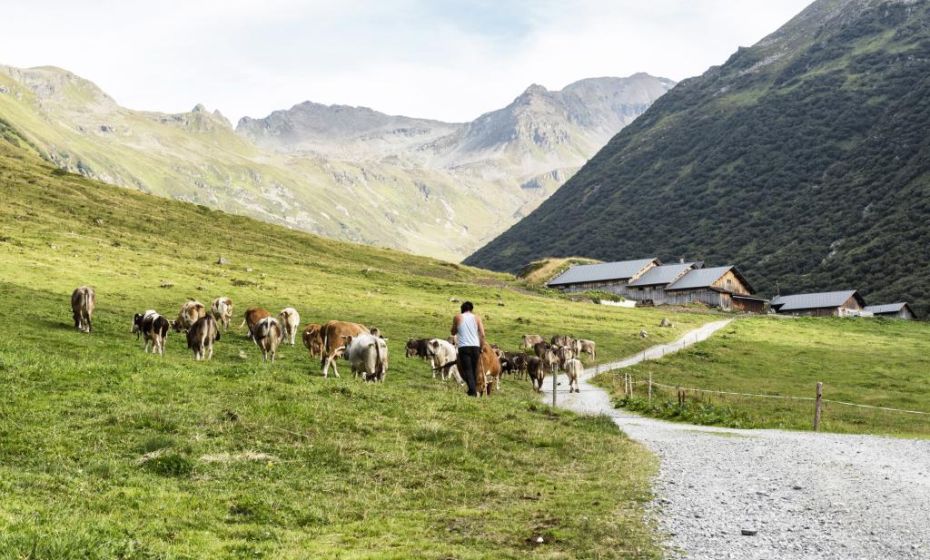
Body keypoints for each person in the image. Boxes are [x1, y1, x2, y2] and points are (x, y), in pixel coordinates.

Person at [451, 301, 485, 397]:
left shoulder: (458, 317)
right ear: (471, 309)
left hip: (463, 347)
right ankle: (472, 391)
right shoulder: (477, 318)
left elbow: (453, 332)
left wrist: (456, 328)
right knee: (474, 370)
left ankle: (473, 392)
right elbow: (482, 334)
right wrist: (481, 347)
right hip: (475, 346)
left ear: (462, 309)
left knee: (467, 370)